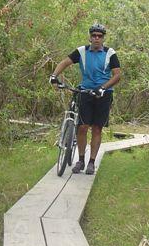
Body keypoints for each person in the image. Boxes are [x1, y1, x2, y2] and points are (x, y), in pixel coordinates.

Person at [49, 23, 121, 175]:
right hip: (85, 92)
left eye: (99, 36)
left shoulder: (110, 53)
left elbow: (117, 75)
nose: (96, 38)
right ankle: (80, 160)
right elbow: (64, 62)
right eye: (94, 35)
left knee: (97, 128)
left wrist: (103, 88)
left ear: (103, 38)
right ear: (90, 37)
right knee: (82, 127)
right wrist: (54, 76)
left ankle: (91, 162)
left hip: (103, 94)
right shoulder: (82, 51)